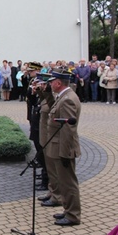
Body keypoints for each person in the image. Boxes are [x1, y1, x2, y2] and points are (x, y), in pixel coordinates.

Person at [44, 69, 82, 226]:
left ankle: (73, 215)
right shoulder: (64, 97)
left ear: (58, 83)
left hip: (63, 148)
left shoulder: (67, 100)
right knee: (64, 181)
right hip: (58, 146)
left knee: (68, 183)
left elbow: (68, 129)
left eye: (52, 81)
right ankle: (68, 210)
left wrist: (65, 153)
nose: (50, 84)